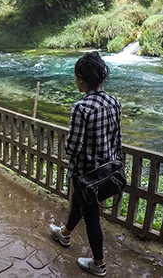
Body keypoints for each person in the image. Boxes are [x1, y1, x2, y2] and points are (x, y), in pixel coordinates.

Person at [49, 52, 122, 277]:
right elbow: (117, 138)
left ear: (82, 79)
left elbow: (73, 146)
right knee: (78, 203)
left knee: (91, 218)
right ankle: (65, 232)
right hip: (107, 170)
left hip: (86, 174)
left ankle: (98, 264)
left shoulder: (81, 107)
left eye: (76, 77)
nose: (75, 81)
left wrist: (67, 149)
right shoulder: (114, 102)